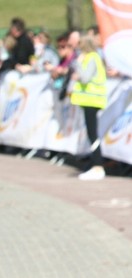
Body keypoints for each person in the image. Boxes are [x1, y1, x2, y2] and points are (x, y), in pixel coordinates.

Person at [70, 36, 108, 181]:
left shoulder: (91, 58)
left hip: (92, 100)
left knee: (93, 133)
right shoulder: (93, 57)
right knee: (91, 132)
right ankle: (95, 163)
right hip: (89, 100)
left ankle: (98, 165)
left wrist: (78, 64)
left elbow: (85, 78)